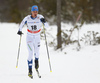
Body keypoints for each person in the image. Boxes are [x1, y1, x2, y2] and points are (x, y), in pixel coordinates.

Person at [17, 5, 49, 78]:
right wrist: (19, 30)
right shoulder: (27, 18)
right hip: (29, 37)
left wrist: (44, 21)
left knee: (37, 52)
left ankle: (36, 61)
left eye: (36, 11)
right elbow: (22, 24)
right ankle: (30, 70)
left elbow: (47, 26)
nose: (35, 13)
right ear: (31, 11)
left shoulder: (40, 17)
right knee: (30, 53)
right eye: (34, 11)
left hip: (37, 37)